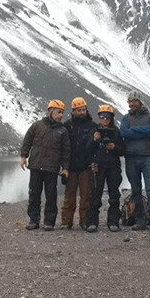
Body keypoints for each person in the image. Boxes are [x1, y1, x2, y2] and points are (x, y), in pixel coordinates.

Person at [20, 100, 71, 231]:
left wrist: (65, 168)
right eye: (58, 112)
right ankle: (33, 220)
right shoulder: (37, 125)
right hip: (36, 166)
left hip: (52, 168)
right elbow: (27, 140)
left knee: (51, 196)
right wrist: (23, 156)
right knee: (34, 194)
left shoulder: (63, 131)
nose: (60, 115)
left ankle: (49, 222)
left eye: (62, 113)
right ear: (50, 111)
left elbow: (66, 151)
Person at [119, 90, 150, 232]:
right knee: (135, 190)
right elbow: (123, 132)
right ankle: (139, 220)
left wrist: (134, 130)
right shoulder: (126, 118)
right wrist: (142, 132)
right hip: (131, 158)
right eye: (129, 101)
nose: (131, 104)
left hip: (148, 157)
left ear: (140, 102)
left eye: (134, 101)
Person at [85, 104, 126, 233]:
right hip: (98, 166)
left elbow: (123, 150)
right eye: (102, 116)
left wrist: (114, 148)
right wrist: (94, 140)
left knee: (114, 194)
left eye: (107, 117)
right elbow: (87, 149)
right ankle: (92, 222)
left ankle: (113, 222)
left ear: (111, 117)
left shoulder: (116, 131)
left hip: (113, 166)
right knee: (95, 194)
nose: (105, 119)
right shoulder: (94, 130)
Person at [59, 97, 97, 230]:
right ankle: (66, 222)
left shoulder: (92, 126)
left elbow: (95, 147)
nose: (82, 112)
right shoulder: (67, 125)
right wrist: (64, 167)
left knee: (86, 195)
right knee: (69, 195)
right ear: (73, 111)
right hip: (71, 167)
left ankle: (85, 221)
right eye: (79, 110)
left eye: (84, 109)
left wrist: (94, 162)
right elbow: (63, 147)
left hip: (86, 166)